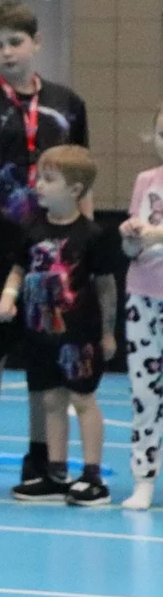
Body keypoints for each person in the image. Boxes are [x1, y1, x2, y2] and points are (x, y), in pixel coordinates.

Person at [0, 1, 88, 498]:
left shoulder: (68, 103)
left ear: (36, 42)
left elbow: (81, 177)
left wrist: (83, 242)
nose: (7, 52)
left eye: (15, 42)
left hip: (53, 248)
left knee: (45, 354)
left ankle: (42, 456)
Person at [0, 145, 119, 506]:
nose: (39, 186)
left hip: (78, 335)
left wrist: (107, 332)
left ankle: (92, 476)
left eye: (49, 180)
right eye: (39, 178)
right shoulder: (32, 230)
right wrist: (8, 298)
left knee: (82, 399)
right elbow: (19, 269)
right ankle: (55, 472)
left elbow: (106, 286)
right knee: (50, 400)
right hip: (40, 334)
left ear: (75, 190)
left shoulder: (92, 235)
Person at [120, 103, 163, 511]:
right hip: (143, 296)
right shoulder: (146, 181)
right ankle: (143, 479)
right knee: (144, 393)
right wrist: (131, 236)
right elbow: (133, 248)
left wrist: (155, 234)